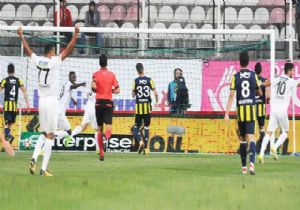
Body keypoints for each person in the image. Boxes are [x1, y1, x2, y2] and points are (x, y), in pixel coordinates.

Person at [18, 25, 80, 176]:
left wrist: (21, 35)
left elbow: (28, 50)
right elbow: (68, 50)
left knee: (44, 133)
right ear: (51, 52)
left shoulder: (38, 61)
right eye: (54, 52)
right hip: (52, 102)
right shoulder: (54, 62)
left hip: (41, 102)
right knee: (50, 136)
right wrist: (75, 35)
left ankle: (34, 158)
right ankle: (43, 169)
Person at [224, 51, 262, 175]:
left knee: (242, 140)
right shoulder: (253, 75)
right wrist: (255, 92)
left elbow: (231, 96)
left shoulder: (235, 77)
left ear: (239, 61)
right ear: (248, 61)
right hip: (250, 110)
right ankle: (252, 164)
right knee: (251, 138)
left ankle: (243, 168)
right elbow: (260, 92)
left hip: (240, 111)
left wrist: (227, 113)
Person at [258, 63, 300, 163]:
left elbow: (268, 83)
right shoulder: (291, 81)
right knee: (285, 132)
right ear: (289, 71)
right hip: (282, 112)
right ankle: (275, 146)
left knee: (269, 132)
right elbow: (298, 84)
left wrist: (260, 84)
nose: (294, 72)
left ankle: (261, 153)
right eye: (293, 70)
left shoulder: (278, 79)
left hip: (273, 110)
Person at [92, 54, 120, 161]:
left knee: (99, 129)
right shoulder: (112, 75)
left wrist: (97, 89)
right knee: (108, 128)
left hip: (99, 103)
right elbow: (118, 90)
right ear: (107, 63)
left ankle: (101, 152)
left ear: (99, 63)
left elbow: (93, 87)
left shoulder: (95, 74)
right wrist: (110, 90)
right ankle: (107, 138)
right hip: (108, 103)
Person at [0, 64, 30, 144]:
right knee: (10, 124)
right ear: (14, 71)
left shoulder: (5, 80)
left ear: (7, 71)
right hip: (14, 106)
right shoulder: (18, 80)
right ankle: (6, 144)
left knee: (5, 125)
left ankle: (9, 136)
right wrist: (28, 105)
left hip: (7, 105)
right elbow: (24, 91)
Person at [132, 63, 158, 154]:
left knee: (136, 128)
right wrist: (157, 102)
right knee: (146, 128)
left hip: (139, 108)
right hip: (147, 108)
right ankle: (146, 149)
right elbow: (155, 93)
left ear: (137, 71)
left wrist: (135, 92)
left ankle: (140, 142)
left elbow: (133, 95)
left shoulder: (135, 81)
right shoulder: (149, 80)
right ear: (143, 69)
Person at [57, 71, 86, 146]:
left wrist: (73, 100)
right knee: (68, 132)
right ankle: (51, 134)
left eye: (75, 77)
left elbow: (67, 94)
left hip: (57, 112)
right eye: (73, 77)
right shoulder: (69, 85)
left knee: (62, 130)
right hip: (60, 113)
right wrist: (82, 84)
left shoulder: (66, 85)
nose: (75, 78)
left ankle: (46, 140)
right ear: (69, 77)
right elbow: (74, 86)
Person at [254, 62, 269, 152]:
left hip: (252, 107)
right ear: (261, 70)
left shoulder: (252, 79)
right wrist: (267, 99)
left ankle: (251, 147)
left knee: (250, 128)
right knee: (262, 128)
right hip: (261, 106)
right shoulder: (264, 80)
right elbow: (267, 95)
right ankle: (264, 148)